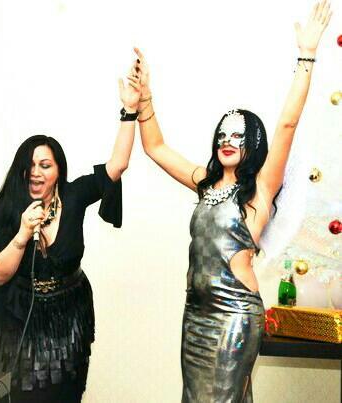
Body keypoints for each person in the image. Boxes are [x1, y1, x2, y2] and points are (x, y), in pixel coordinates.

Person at [134, 2, 331, 402]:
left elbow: (287, 123)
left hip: (234, 314)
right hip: (196, 314)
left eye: (238, 136)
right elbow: (155, 147)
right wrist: (145, 99)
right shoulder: (205, 184)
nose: (228, 141)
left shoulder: (261, 189)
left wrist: (307, 55)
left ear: (252, 143)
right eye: (223, 134)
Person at [0, 63, 141, 402]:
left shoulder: (74, 195)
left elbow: (117, 165)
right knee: (24, 393)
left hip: (70, 314)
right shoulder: (5, 209)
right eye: (30, 165)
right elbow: (0, 275)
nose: (36, 172)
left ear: (58, 170)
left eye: (45, 165)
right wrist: (23, 233)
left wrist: (130, 111)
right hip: (22, 318)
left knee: (65, 392)